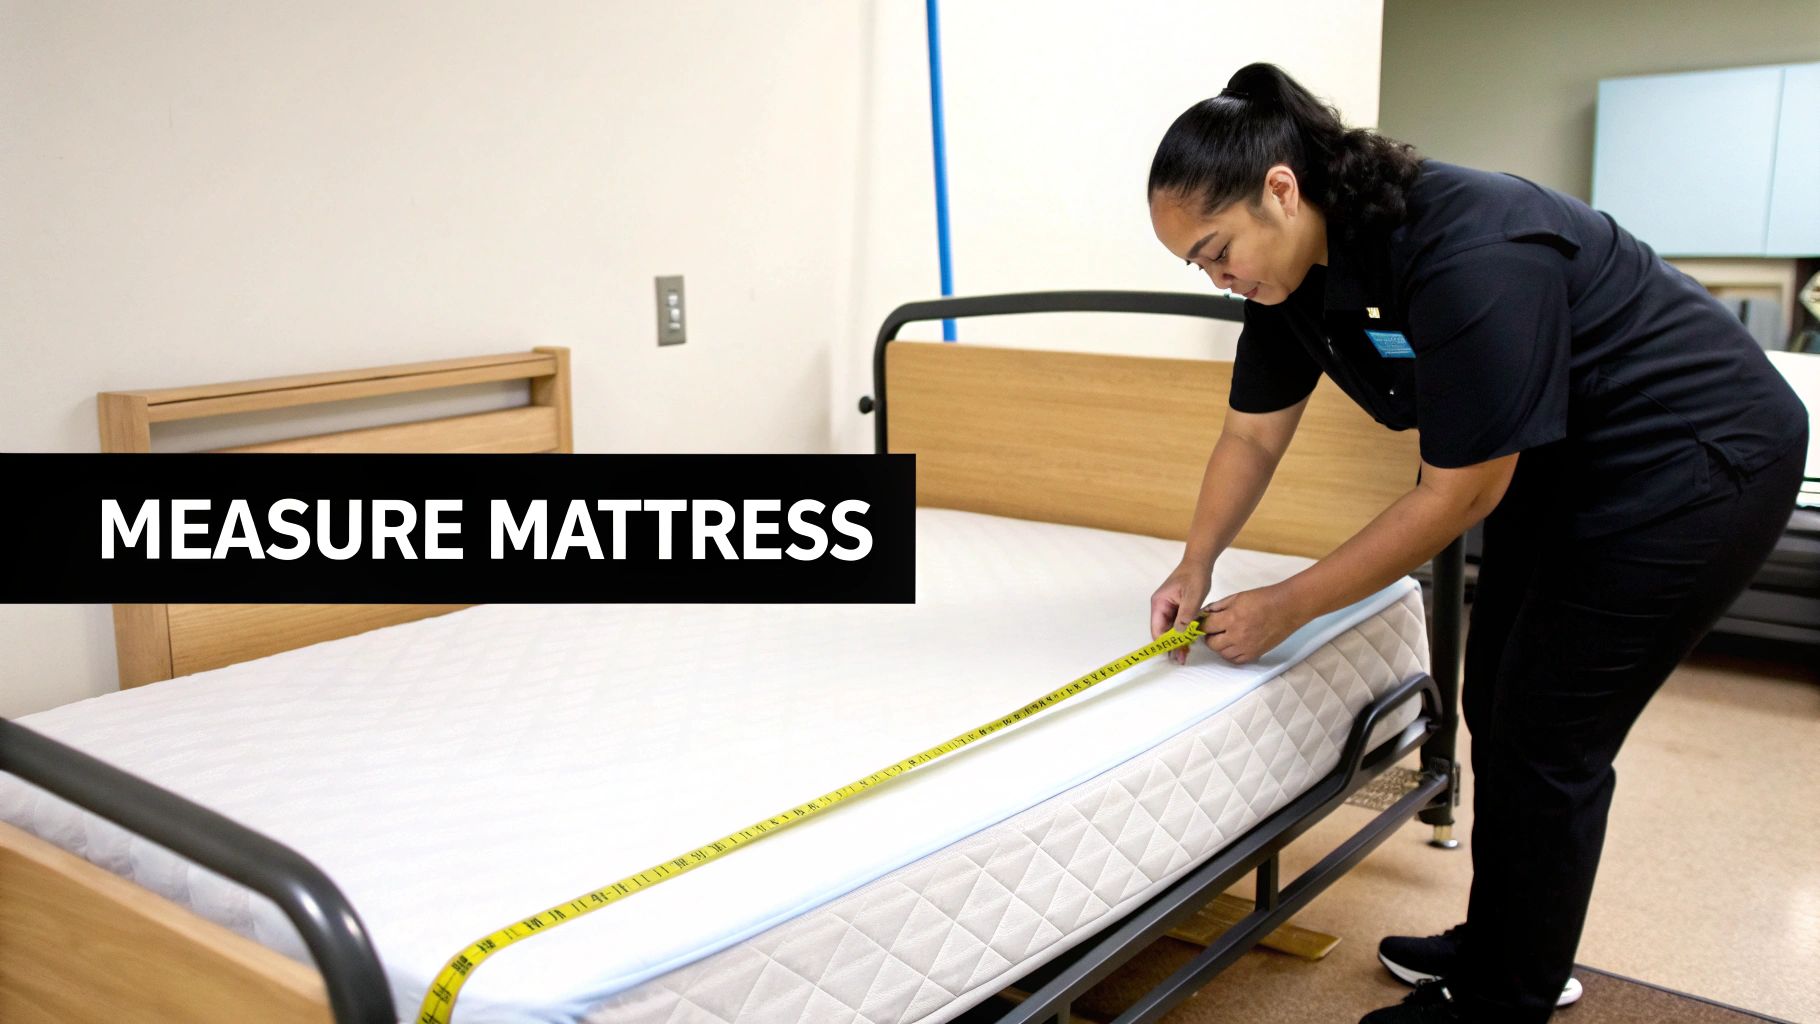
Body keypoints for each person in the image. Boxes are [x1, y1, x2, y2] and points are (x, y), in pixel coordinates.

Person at [1143, 63, 1809, 1024]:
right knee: (1497, 699)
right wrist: (1195, 562)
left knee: (1548, 734)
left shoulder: (1468, 244)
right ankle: (1505, 944)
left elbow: (1460, 493)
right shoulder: (1289, 282)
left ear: (1280, 190)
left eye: (1216, 250)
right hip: (1572, 462)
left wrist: (1287, 604)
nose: (1217, 276)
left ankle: (1504, 998)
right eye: (1196, 266)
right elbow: (1251, 433)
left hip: (1698, 459)